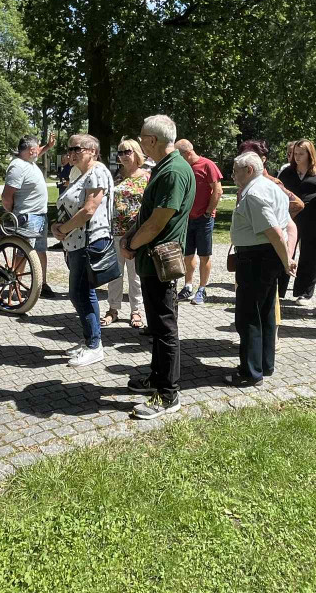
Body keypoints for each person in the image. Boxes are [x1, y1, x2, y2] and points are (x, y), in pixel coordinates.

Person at [121, 115, 194, 420]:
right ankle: (156, 378)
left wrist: (132, 244)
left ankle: (168, 395)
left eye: (141, 138)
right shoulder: (166, 168)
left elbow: (158, 220)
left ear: (151, 140)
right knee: (158, 326)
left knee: (165, 329)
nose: (139, 143)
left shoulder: (174, 171)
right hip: (151, 259)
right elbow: (148, 215)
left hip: (160, 260)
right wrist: (132, 237)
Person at [226, 151, 295, 386]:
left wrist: (287, 261)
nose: (232, 175)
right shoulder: (272, 187)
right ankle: (264, 364)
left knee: (248, 316)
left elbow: (274, 230)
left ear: (248, 170)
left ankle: (250, 373)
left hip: (257, 258)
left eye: (235, 170)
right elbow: (287, 227)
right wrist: (285, 257)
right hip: (267, 257)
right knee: (264, 313)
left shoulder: (254, 193)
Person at [51, 134, 114, 367]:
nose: (71, 152)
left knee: (81, 293)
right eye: (69, 149)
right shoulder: (80, 173)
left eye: (76, 148)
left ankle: (94, 345)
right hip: (76, 241)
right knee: (81, 293)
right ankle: (90, 339)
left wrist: (63, 229)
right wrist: (58, 227)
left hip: (88, 241)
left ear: (92, 151)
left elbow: (89, 209)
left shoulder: (97, 172)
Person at [2, 133, 57, 299]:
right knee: (23, 254)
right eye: (37, 148)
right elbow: (6, 197)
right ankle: (14, 286)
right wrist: (13, 214)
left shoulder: (27, 161)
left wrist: (47, 146)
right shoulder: (17, 166)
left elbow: (37, 152)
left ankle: (41, 284)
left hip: (40, 215)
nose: (38, 152)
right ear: (31, 150)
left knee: (40, 251)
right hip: (27, 217)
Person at [102, 138, 150, 328]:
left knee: (135, 274)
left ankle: (136, 310)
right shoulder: (114, 176)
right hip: (114, 231)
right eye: (120, 153)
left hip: (136, 233)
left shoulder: (146, 176)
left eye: (127, 152)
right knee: (114, 273)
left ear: (137, 153)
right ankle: (113, 308)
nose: (122, 156)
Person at [276, 139, 316, 303]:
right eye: (295, 154)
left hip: (312, 219)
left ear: (309, 154)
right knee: (285, 252)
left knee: (310, 255)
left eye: (301, 154)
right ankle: (279, 290)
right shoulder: (287, 172)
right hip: (289, 219)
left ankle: (304, 292)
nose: (297, 157)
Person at [176, 139, 223, 305]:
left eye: (178, 155)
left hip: (204, 219)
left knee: (204, 255)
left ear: (188, 153)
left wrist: (208, 212)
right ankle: (188, 286)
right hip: (187, 219)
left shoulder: (207, 165)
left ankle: (202, 289)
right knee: (187, 255)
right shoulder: (183, 167)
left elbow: (218, 190)